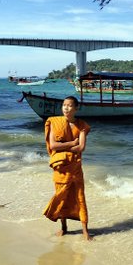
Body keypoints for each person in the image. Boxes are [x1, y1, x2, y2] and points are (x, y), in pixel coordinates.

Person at [43, 96, 92, 240]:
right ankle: (64, 228)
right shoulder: (55, 122)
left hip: (75, 168)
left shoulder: (81, 125)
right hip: (61, 167)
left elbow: (81, 147)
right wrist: (72, 143)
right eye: (64, 105)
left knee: (80, 198)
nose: (66, 108)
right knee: (62, 196)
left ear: (76, 108)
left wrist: (65, 146)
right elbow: (53, 145)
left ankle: (85, 231)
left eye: (70, 105)